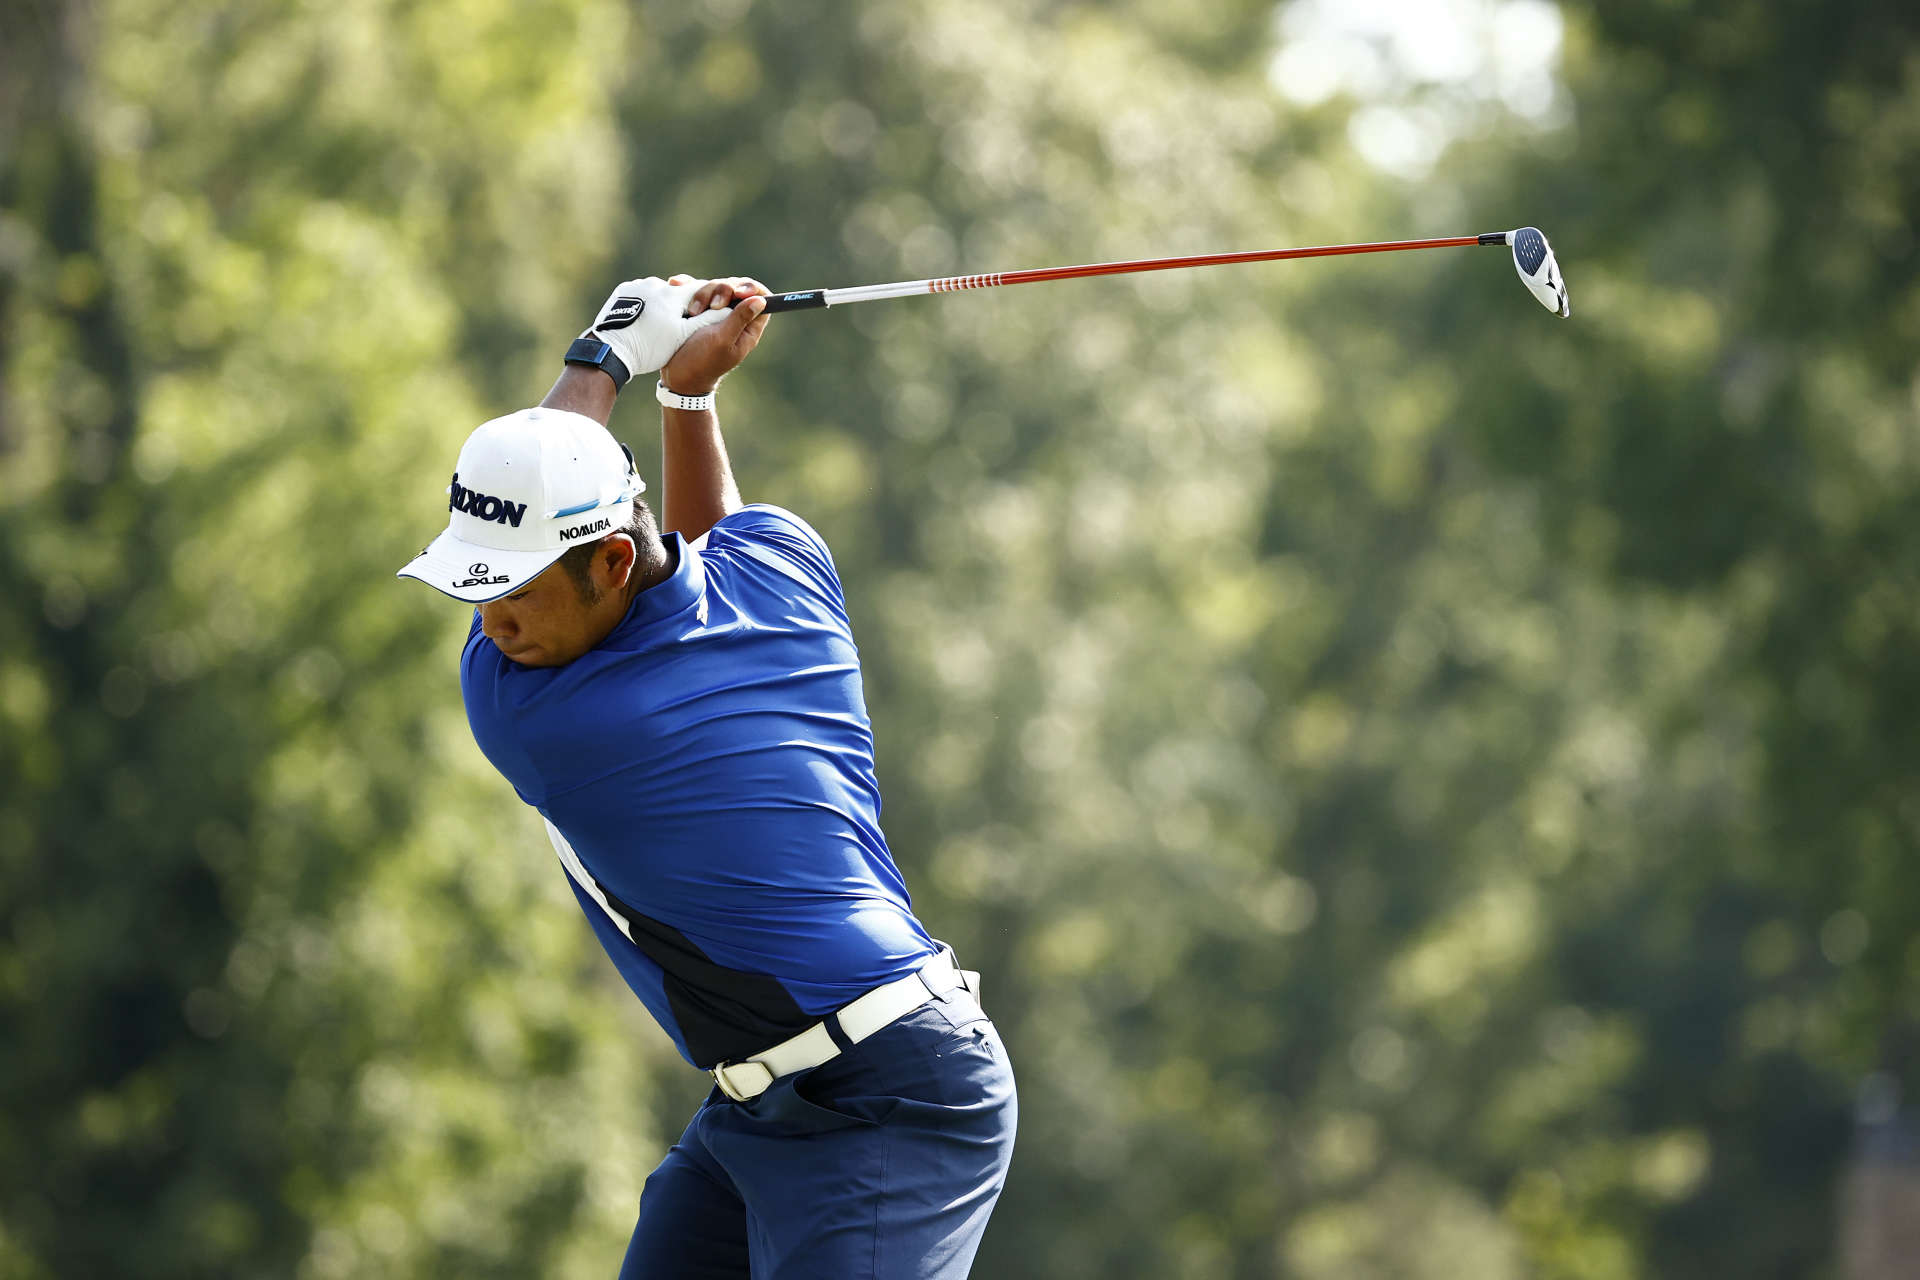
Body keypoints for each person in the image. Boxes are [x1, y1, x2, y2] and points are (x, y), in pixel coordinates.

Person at [396, 274, 1016, 1278]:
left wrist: (605, 353)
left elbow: (569, 464)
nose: (489, 623)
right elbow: (702, 556)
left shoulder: (541, 716)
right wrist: (685, 397)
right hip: (763, 1103)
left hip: (893, 1099)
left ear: (610, 563)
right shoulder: (784, 563)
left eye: (510, 590)